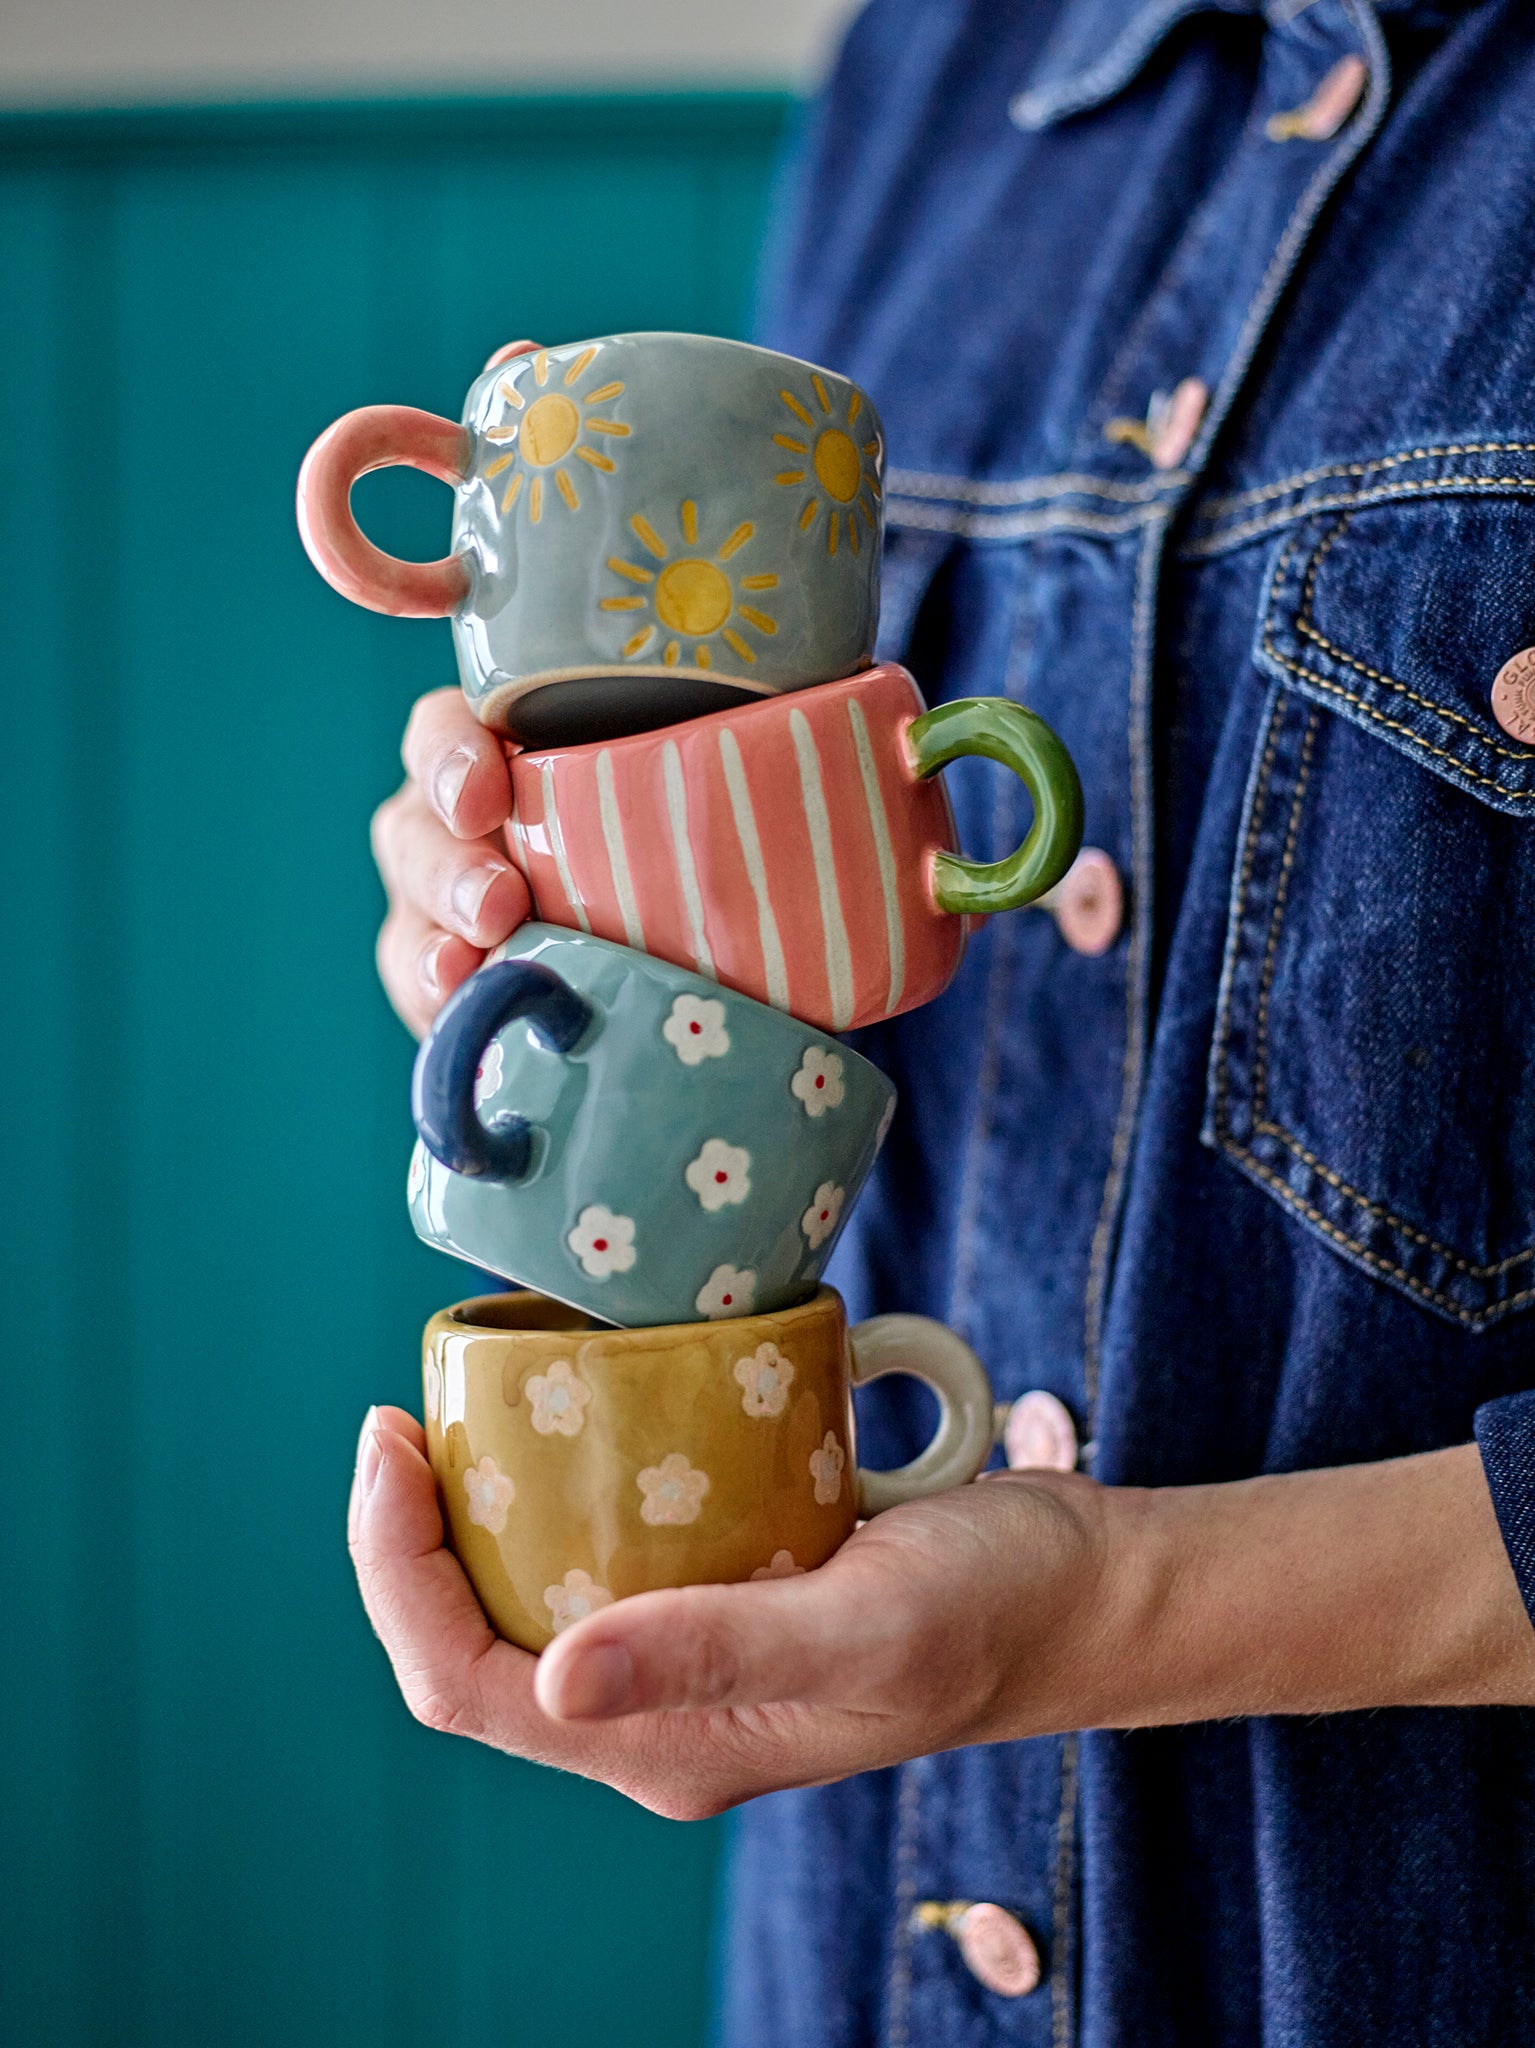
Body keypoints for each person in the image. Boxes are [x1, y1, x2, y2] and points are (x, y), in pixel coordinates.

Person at [352, 1, 1535, 2040]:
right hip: (870, 1943)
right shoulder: (930, 69)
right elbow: (750, 792)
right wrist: (525, 910)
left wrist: (1111, 1614)